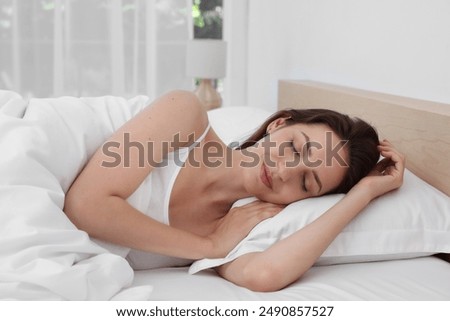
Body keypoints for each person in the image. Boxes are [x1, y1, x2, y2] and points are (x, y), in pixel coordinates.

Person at [64, 90, 405, 292]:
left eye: (306, 183)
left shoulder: (241, 226)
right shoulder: (186, 116)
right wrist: (207, 247)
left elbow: (264, 274)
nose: (283, 170)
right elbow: (84, 205)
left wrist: (363, 194)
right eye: (294, 148)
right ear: (278, 124)